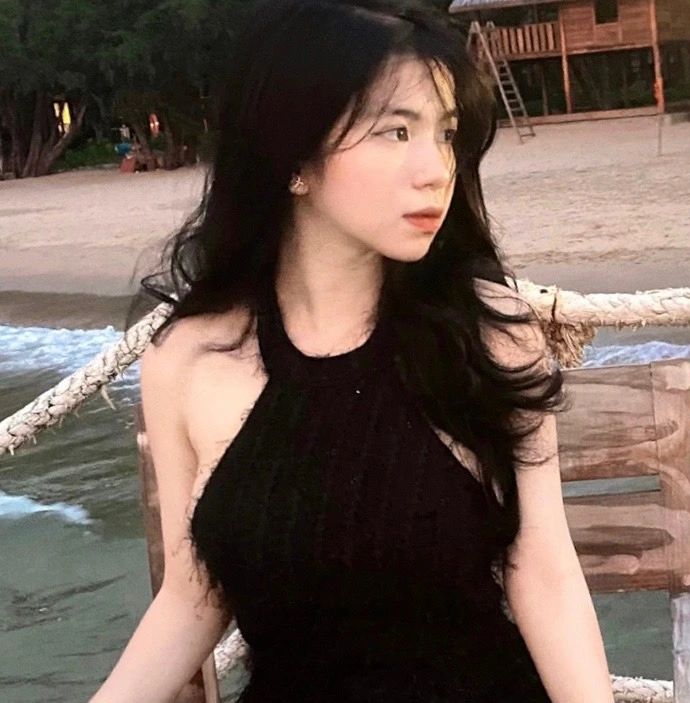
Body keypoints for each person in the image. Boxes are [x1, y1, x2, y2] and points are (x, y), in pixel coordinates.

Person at [94, 0, 613, 700]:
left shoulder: (489, 335)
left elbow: (543, 573)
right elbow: (193, 597)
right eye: (396, 131)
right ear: (293, 160)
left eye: (445, 133)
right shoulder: (187, 360)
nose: (436, 169)